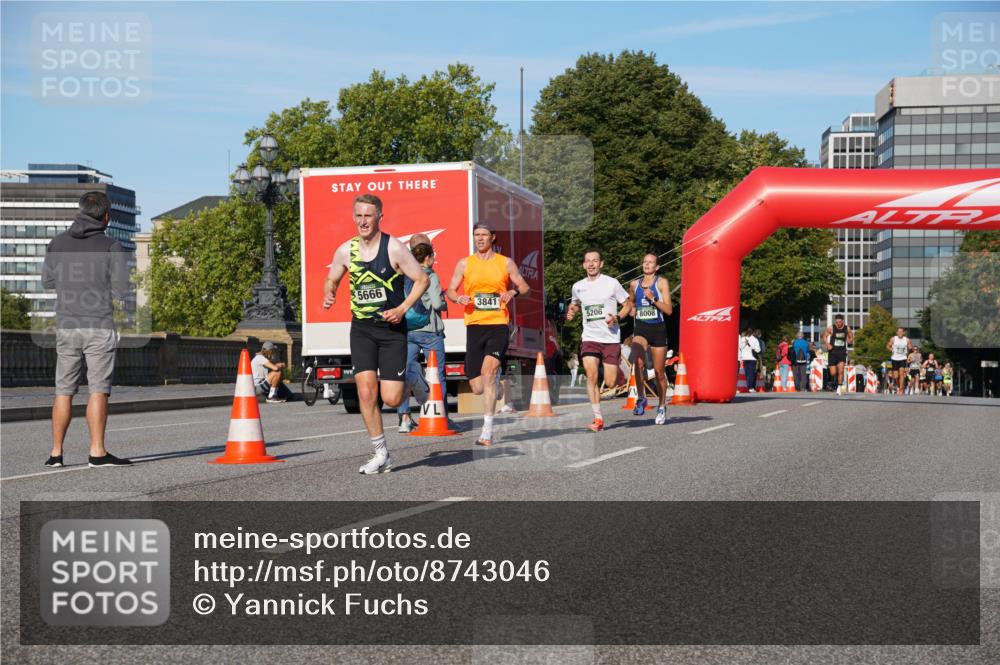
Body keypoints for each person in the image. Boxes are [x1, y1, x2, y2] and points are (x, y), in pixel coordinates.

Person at [323, 194, 429, 474]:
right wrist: (329, 292)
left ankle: (414, 376)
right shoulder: (346, 250)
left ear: (380, 217)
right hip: (362, 329)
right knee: (366, 393)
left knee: (392, 399)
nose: (363, 221)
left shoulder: (393, 248)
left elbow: (422, 279)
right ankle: (381, 453)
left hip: (392, 329)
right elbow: (332, 277)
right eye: (358, 215)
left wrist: (403, 308)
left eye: (368, 215)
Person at [41, 191, 132, 468]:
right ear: (106, 217)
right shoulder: (110, 245)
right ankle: (97, 452)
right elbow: (121, 290)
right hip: (98, 325)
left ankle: (56, 453)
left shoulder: (57, 244)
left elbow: (47, 282)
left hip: (67, 325)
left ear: (79, 212)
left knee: (63, 390)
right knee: (98, 389)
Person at [446, 222, 530, 446]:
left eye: (484, 235)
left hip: (498, 325)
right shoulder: (465, 263)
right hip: (474, 326)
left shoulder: (505, 263)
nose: (480, 239)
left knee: (489, 374)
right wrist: (458, 298)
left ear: (493, 237)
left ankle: (487, 431)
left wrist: (512, 291)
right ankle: (498, 387)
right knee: (477, 387)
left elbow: (524, 286)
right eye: (476, 235)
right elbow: (450, 290)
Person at [566, 248, 631, 432]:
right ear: (584, 264)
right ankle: (597, 418)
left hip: (610, 338)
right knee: (591, 374)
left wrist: (617, 317)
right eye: (588, 261)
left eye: (595, 260)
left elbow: (627, 304)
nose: (592, 264)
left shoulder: (612, 283)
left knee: (610, 383)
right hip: (590, 337)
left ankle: (617, 373)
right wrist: (572, 310)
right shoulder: (578, 286)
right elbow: (576, 303)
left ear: (601, 263)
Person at [397, 242, 446, 433]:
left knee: (405, 374)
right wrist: (443, 303)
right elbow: (435, 303)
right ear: (428, 258)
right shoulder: (430, 276)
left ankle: (405, 418)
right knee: (438, 375)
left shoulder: (405, 276)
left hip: (408, 330)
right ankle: (441, 417)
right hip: (430, 331)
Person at [626, 252, 673, 424]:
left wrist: (653, 299)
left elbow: (668, 310)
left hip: (658, 330)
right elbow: (630, 301)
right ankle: (641, 397)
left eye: (651, 262)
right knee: (637, 362)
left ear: (657, 267)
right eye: (645, 262)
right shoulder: (634, 284)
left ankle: (661, 406)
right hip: (641, 329)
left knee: (660, 373)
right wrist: (630, 308)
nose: (646, 265)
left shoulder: (661, 283)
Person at [822, 314, 854, 395]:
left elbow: (851, 337)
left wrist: (850, 340)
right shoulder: (831, 328)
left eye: (839, 322)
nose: (838, 324)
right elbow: (824, 336)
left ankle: (839, 387)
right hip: (832, 352)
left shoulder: (847, 328)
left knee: (841, 370)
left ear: (842, 321)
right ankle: (836, 382)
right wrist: (827, 344)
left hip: (842, 352)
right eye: (836, 322)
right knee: (833, 373)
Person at [886, 327, 913, 396]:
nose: (900, 333)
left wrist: (910, 352)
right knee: (895, 376)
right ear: (897, 332)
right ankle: (898, 386)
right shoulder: (893, 339)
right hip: (894, 359)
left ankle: (901, 389)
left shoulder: (906, 340)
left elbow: (910, 348)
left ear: (903, 333)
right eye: (899, 331)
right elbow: (888, 346)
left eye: (901, 332)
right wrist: (891, 349)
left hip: (903, 359)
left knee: (901, 374)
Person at [738, 328, 760, 393]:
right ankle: (750, 387)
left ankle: (746, 386)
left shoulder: (742, 339)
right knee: (751, 373)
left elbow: (740, 347)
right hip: (752, 358)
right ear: (752, 333)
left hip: (743, 358)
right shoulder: (755, 339)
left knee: (746, 374)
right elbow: (758, 350)